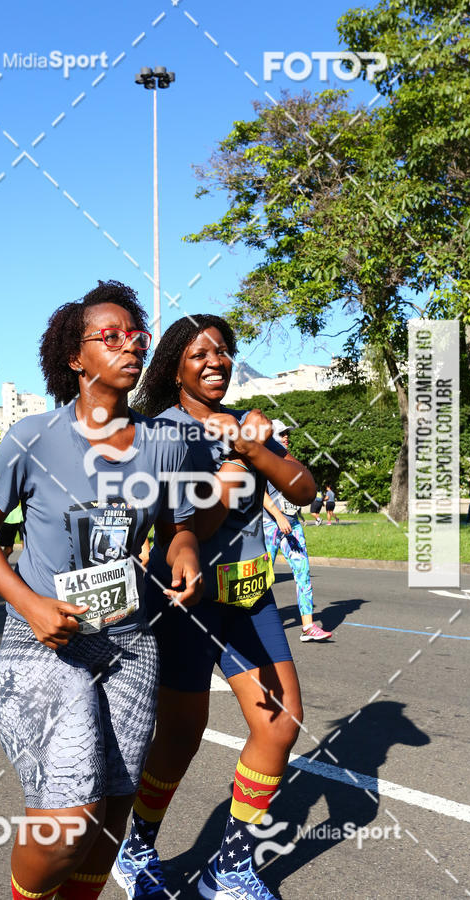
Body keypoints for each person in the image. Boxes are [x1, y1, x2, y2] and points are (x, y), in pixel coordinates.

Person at [0, 281, 202, 900]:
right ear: (75, 357)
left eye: (138, 337)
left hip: (128, 643)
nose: (131, 347)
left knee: (112, 812)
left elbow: (177, 524)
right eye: (112, 336)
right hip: (47, 643)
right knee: (69, 818)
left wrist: (184, 550)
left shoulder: (162, 444)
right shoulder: (33, 437)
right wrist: (29, 604)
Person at [113, 314, 316, 900]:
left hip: (250, 597)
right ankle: (139, 848)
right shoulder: (156, 434)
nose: (214, 363)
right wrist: (220, 489)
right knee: (181, 737)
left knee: (280, 725)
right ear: (175, 363)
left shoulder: (247, 423)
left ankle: (227, 868)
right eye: (199, 353)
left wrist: (256, 450)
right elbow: (177, 531)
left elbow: (301, 489)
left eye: (223, 352)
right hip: (184, 600)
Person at [262, 421, 332, 643]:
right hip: (269, 525)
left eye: (287, 434)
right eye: (282, 434)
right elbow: (259, 493)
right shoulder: (263, 459)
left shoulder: (288, 461)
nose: (286, 437)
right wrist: (279, 516)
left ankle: (308, 626)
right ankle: (254, 626)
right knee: (263, 578)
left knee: (303, 573)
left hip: (293, 525)